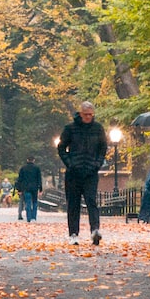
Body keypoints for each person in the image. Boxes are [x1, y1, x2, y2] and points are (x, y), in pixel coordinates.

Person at [55, 100, 108, 245]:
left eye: (91, 115)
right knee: (73, 203)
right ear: (80, 113)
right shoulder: (70, 129)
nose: (88, 117)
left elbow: (103, 148)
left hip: (90, 172)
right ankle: (73, 234)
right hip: (73, 173)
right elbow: (61, 148)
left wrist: (97, 164)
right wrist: (70, 163)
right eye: (86, 115)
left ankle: (95, 230)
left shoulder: (98, 129)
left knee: (91, 201)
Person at [15, 156, 42, 222]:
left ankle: (28, 218)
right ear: (34, 160)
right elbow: (39, 179)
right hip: (34, 188)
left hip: (26, 188)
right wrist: (40, 189)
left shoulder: (23, 168)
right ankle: (34, 217)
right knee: (35, 202)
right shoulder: (37, 168)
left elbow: (20, 179)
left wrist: (19, 189)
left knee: (28, 202)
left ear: (27, 160)